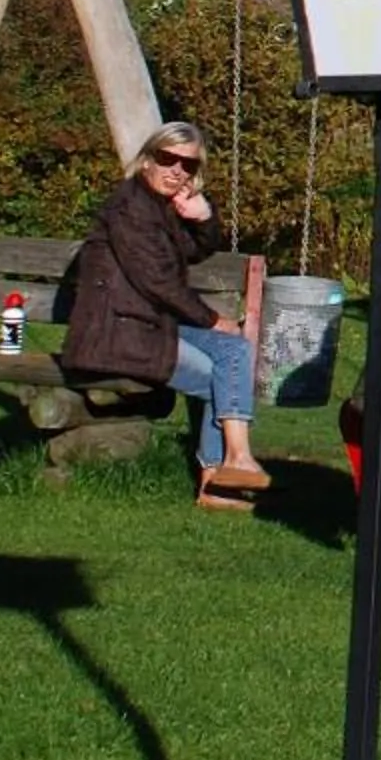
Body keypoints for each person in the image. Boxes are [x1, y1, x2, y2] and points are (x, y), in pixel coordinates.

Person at [61, 120, 269, 511]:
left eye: (187, 165)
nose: (176, 170)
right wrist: (213, 320)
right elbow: (158, 282)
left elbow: (194, 252)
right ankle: (220, 480)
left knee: (234, 351)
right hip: (116, 335)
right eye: (167, 158)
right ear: (147, 160)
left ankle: (234, 463)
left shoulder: (158, 207)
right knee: (221, 376)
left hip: (149, 328)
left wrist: (203, 217)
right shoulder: (130, 208)